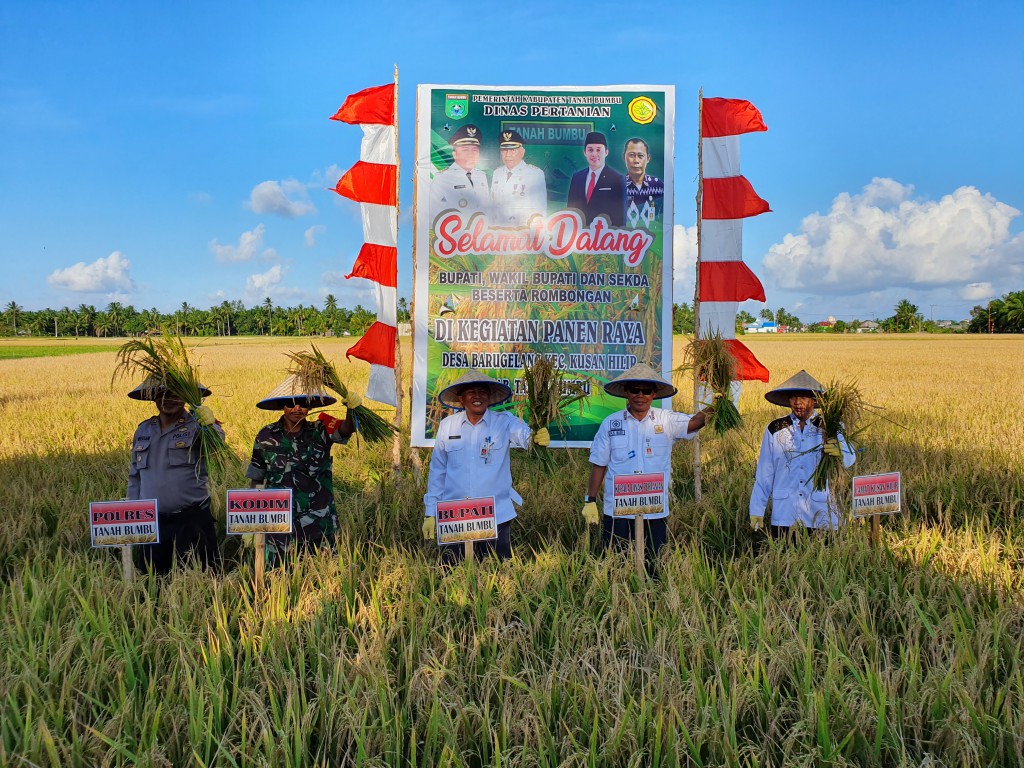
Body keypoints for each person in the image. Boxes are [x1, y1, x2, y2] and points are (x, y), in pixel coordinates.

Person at [583, 363, 710, 576]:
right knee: (616, 565)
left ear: (654, 394)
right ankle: (620, 605)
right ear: (626, 392)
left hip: (654, 509)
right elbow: (599, 464)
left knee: (655, 565)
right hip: (618, 509)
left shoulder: (666, 420)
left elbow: (696, 422)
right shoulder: (611, 424)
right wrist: (590, 501)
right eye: (635, 390)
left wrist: (717, 404)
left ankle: (652, 604)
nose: (640, 396)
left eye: (646, 391)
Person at [422, 369, 549, 564]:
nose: (477, 396)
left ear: (489, 397)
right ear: (461, 398)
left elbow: (524, 435)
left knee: (496, 576)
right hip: (455, 516)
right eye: (471, 392)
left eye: (482, 391)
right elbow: (438, 472)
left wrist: (535, 438)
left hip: (496, 515)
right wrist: (431, 512)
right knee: (452, 576)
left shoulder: (504, 422)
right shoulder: (448, 426)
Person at [246, 374, 358, 565]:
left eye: (302, 403)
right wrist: (251, 523)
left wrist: (351, 410)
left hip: (318, 519)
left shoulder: (321, 429)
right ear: (283, 406)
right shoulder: (266, 434)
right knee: (278, 572)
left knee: (323, 572)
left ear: (310, 407)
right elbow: (257, 478)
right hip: (279, 519)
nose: (297, 408)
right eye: (291, 403)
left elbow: (346, 430)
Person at [127, 377, 222, 574]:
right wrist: (132, 513)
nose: (168, 399)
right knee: (154, 581)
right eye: (161, 394)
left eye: (175, 394)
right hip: (152, 521)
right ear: (153, 398)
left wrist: (210, 425)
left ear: (185, 397)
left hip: (191, 518)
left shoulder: (197, 426)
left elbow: (218, 445)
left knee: (200, 579)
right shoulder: (143, 430)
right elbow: (135, 475)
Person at [749, 370, 856, 538]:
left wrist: (840, 453)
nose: (798, 403)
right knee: (784, 560)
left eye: (804, 398)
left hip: (823, 513)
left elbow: (850, 458)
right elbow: (764, 473)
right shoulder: (775, 429)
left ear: (814, 400)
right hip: (785, 514)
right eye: (793, 397)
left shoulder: (831, 426)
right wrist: (756, 509)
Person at [429, 123, 491, 221]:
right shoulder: (443, 178)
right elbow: (431, 213)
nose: (471, 155)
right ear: (455, 154)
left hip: (481, 232)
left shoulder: (481, 176)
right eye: (465, 150)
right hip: (454, 233)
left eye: (475, 150)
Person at [566, 131, 626, 226]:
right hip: (580, 237)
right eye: (590, 150)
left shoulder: (617, 179)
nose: (594, 154)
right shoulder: (577, 177)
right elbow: (570, 211)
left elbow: (621, 217)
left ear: (606, 152)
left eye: (598, 150)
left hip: (605, 236)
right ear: (585, 152)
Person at [489, 129, 547, 227]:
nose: (508, 154)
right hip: (497, 233)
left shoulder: (535, 174)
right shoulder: (497, 173)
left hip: (521, 233)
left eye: (513, 150)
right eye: (504, 150)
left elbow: (540, 212)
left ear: (522, 152)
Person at [623, 137, 664, 229]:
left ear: (648, 158)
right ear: (624, 158)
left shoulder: (658, 186)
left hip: (654, 240)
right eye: (631, 155)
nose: (636, 161)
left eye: (640, 156)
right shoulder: (616, 186)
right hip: (624, 239)